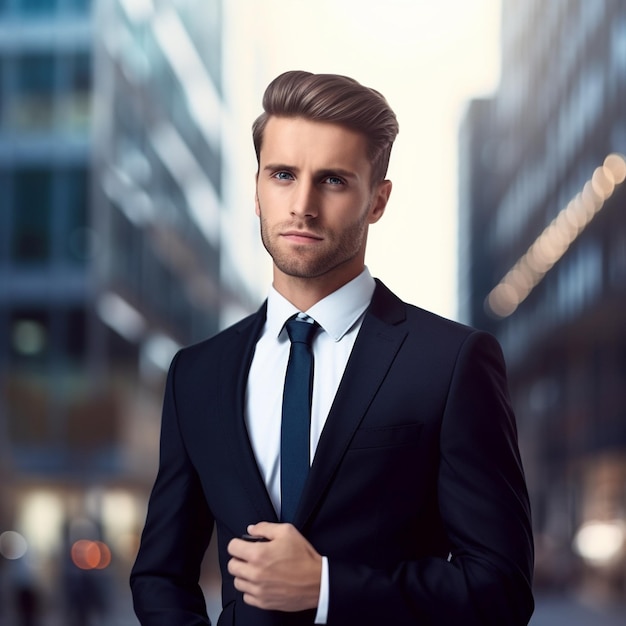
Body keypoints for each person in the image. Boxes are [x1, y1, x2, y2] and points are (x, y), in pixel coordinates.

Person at [130, 70, 534, 625]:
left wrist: (326, 587)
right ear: (255, 189)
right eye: (282, 174)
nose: (302, 205)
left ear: (378, 200)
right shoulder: (196, 374)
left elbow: (501, 589)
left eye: (334, 181)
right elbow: (160, 573)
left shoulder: (451, 363)